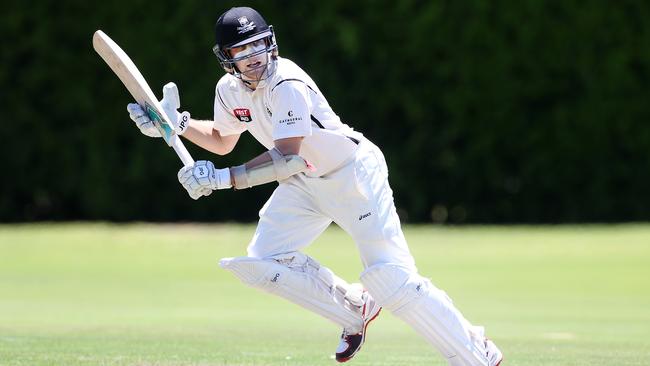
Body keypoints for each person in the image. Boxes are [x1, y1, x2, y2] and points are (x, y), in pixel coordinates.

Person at [126, 6, 503, 365]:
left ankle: (476, 351)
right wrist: (177, 125)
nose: (254, 55)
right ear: (228, 58)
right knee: (263, 261)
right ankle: (355, 307)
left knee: (390, 278)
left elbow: (286, 155)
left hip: (351, 174)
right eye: (243, 49)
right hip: (305, 181)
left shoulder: (286, 81)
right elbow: (224, 138)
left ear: (270, 42)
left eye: (259, 44)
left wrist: (222, 180)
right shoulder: (228, 90)